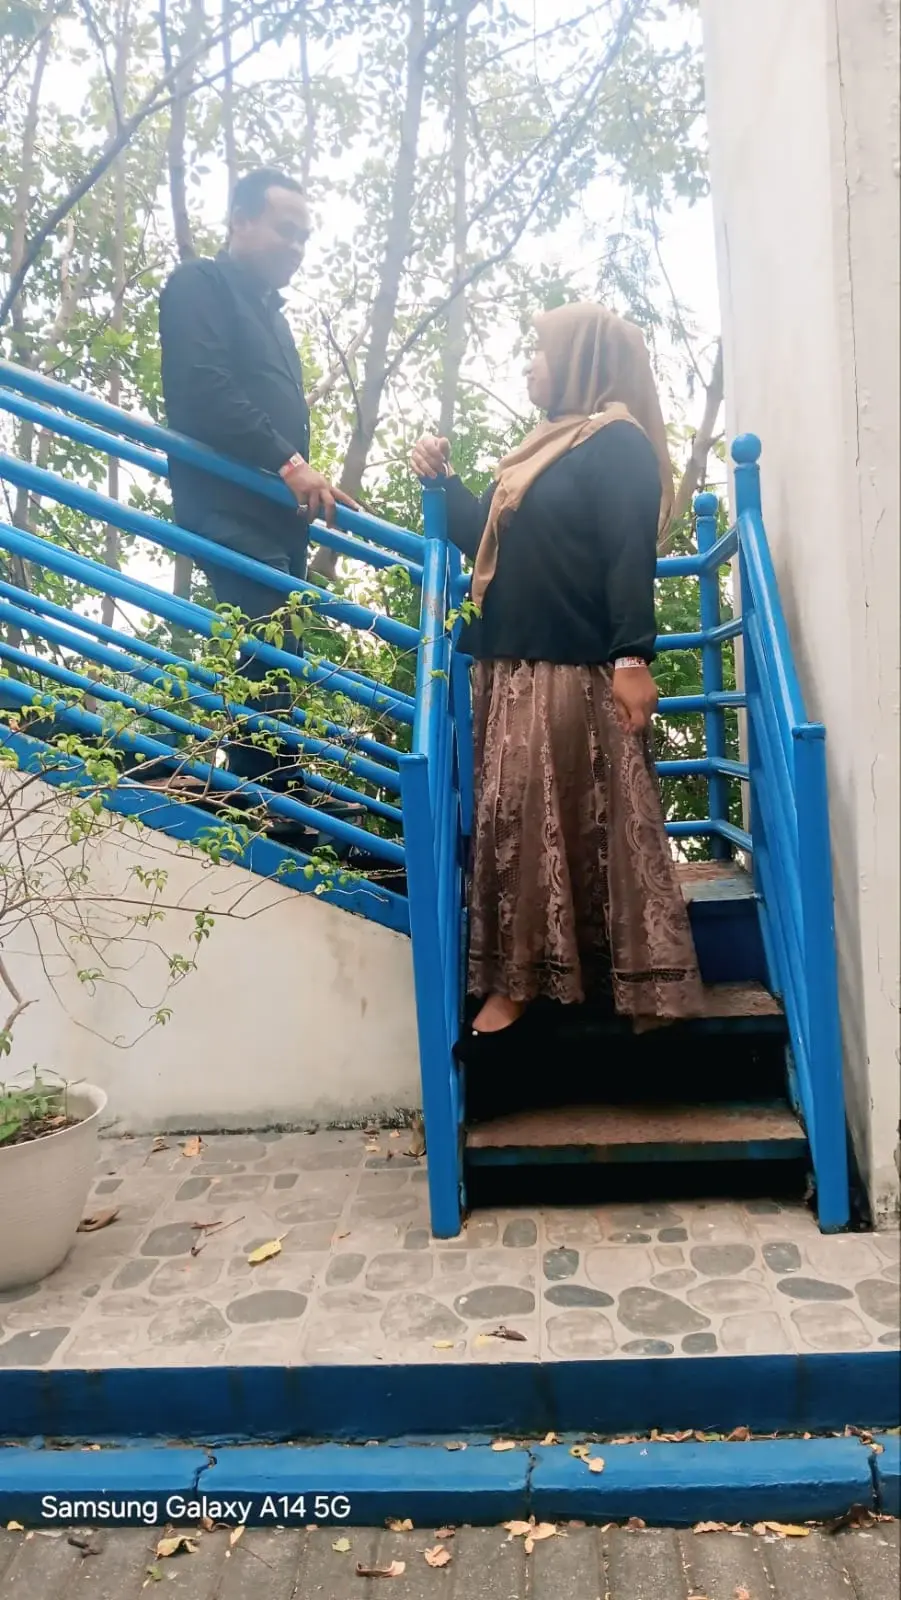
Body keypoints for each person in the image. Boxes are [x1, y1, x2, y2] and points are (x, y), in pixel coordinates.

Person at [410, 302, 704, 1061]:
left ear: (580, 359)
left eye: (540, 352)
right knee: (524, 824)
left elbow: (627, 557)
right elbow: (488, 540)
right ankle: (535, 979)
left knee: (541, 822)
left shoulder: (616, 444)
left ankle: (526, 989)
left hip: (571, 674)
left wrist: (633, 659)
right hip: (512, 670)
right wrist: (443, 482)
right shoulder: (542, 449)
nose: (529, 366)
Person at [158, 166, 355, 796]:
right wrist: (291, 465)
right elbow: (202, 391)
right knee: (268, 632)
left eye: (304, 237)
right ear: (240, 220)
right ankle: (270, 793)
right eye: (285, 230)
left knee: (278, 643)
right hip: (224, 505)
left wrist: (303, 480)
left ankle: (274, 784)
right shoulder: (200, 284)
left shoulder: (273, 316)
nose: (296, 247)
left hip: (275, 518)